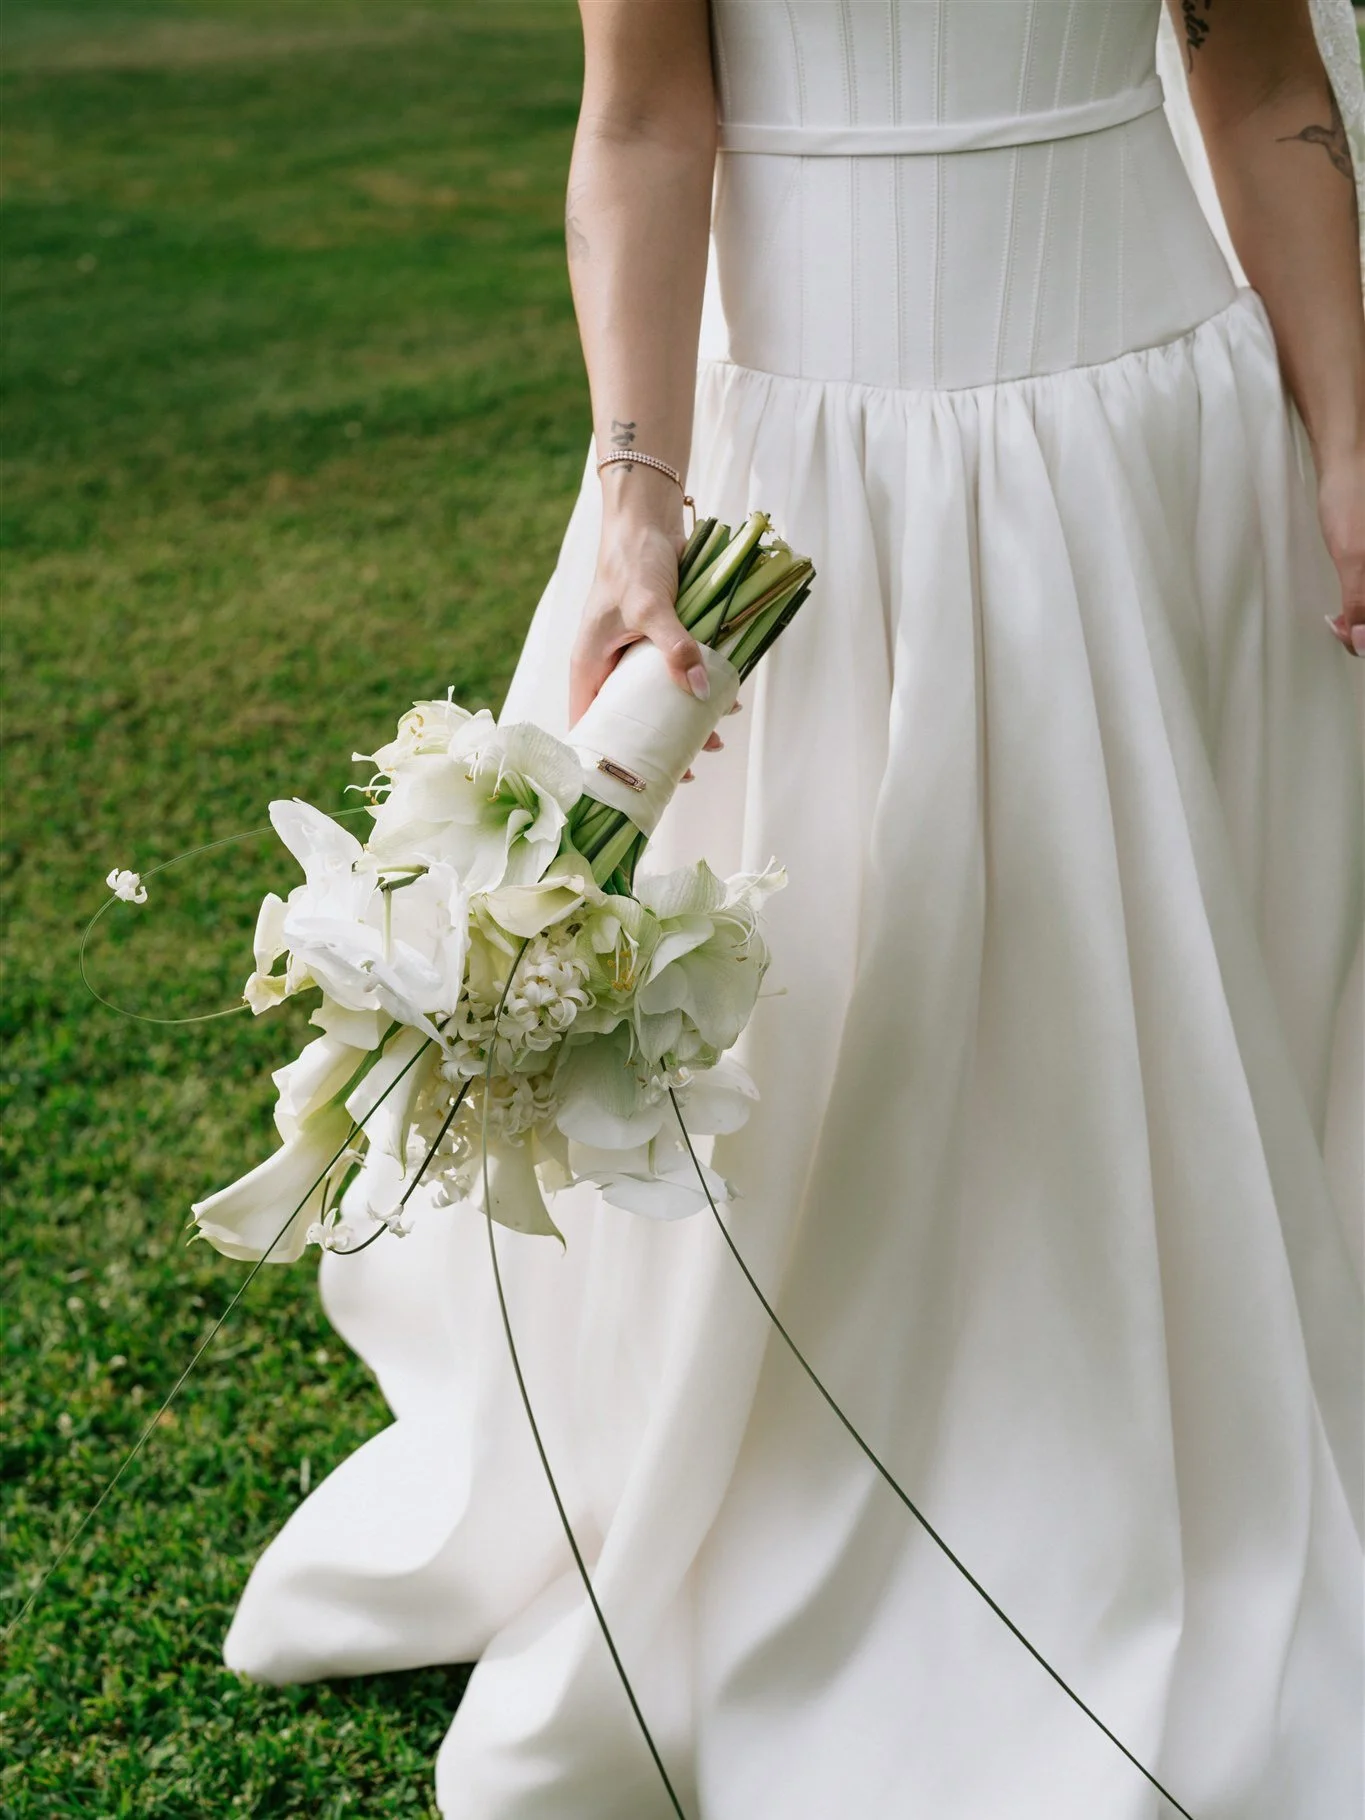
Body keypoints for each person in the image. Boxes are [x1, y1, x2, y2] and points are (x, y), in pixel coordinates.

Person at [223, 3, 1365, 1815]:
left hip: (1161, 451)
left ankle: (1187, 1448)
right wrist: (635, 494)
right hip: (816, 485)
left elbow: (1269, 84)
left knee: (1167, 1007)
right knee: (835, 1021)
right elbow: (643, 121)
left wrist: (1350, 435)